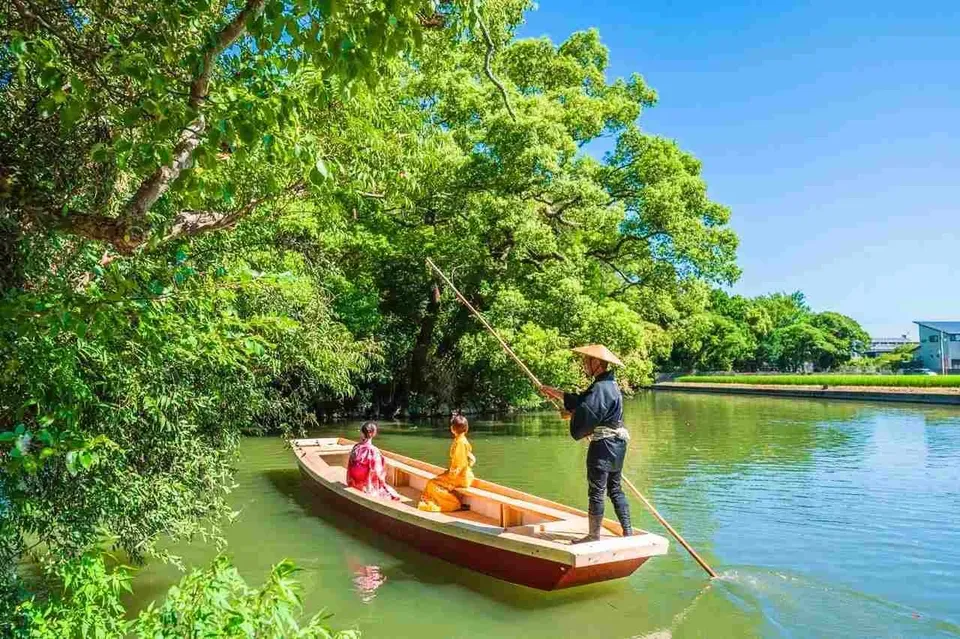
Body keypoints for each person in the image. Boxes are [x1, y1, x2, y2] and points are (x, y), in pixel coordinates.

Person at [540, 345, 632, 543]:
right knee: (615, 489)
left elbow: (588, 413)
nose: (583, 365)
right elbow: (583, 402)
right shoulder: (609, 385)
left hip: (604, 445)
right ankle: (628, 532)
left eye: (586, 361)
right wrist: (554, 392)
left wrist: (573, 416)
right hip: (617, 445)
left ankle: (593, 535)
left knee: (597, 490)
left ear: (596, 363)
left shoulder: (601, 387)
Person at [417, 414, 476, 512]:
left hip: (459, 477)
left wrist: (450, 479)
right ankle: (450, 502)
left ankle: (455, 504)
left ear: (452, 429)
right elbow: (468, 458)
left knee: (432, 484)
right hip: (461, 474)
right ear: (466, 429)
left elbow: (459, 465)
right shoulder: (461, 440)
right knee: (435, 481)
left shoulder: (460, 443)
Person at [346, 422, 401, 501]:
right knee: (391, 494)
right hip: (367, 484)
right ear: (373, 434)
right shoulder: (373, 451)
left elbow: (350, 467)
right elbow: (378, 472)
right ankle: (370, 489)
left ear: (361, 433)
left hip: (353, 481)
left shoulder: (355, 447)